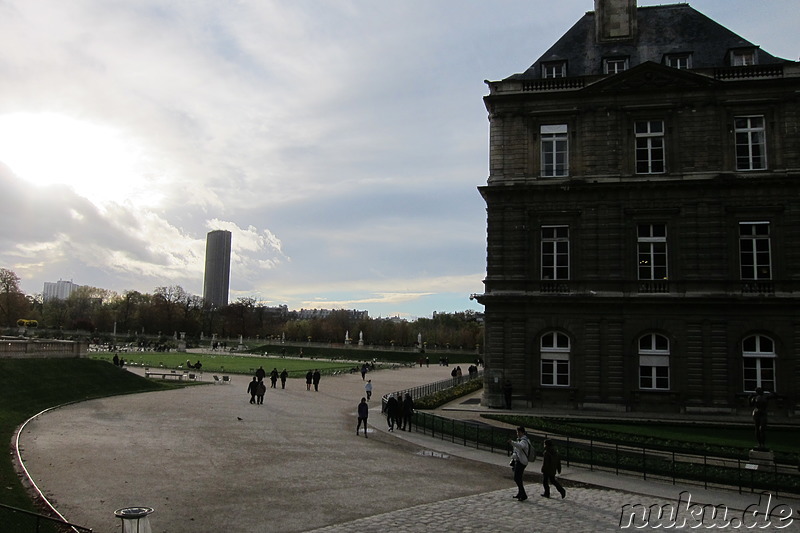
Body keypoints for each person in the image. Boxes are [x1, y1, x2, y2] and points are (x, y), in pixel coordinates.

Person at [508, 426, 532, 501]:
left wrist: (512, 442)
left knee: (517, 478)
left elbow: (520, 447)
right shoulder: (521, 440)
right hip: (519, 461)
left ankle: (523, 494)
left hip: (522, 461)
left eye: (518, 432)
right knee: (518, 478)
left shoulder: (524, 441)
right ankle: (520, 493)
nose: (517, 434)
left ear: (522, 432)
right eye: (517, 432)